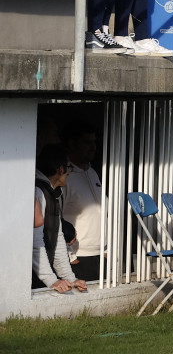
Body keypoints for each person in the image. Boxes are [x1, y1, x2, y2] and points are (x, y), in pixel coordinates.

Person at [33, 144, 87, 293]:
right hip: (29, 278)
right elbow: (35, 242)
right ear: (60, 169)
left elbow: (58, 238)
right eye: (68, 167)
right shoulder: (38, 191)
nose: (69, 172)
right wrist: (51, 280)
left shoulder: (52, 192)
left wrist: (70, 278)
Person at [59, 120, 102, 281]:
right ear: (72, 144)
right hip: (79, 258)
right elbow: (56, 220)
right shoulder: (64, 176)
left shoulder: (92, 172)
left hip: (100, 256)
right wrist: (71, 257)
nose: (93, 147)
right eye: (87, 142)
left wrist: (106, 248)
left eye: (94, 142)